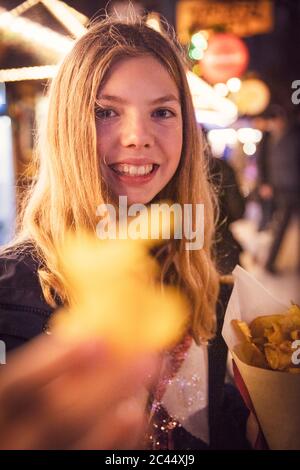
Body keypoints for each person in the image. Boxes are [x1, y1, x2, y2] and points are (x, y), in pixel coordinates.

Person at [0, 17, 251, 450]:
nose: (138, 137)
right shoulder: (10, 292)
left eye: (162, 112)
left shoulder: (200, 276)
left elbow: (208, 416)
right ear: (66, 128)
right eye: (105, 111)